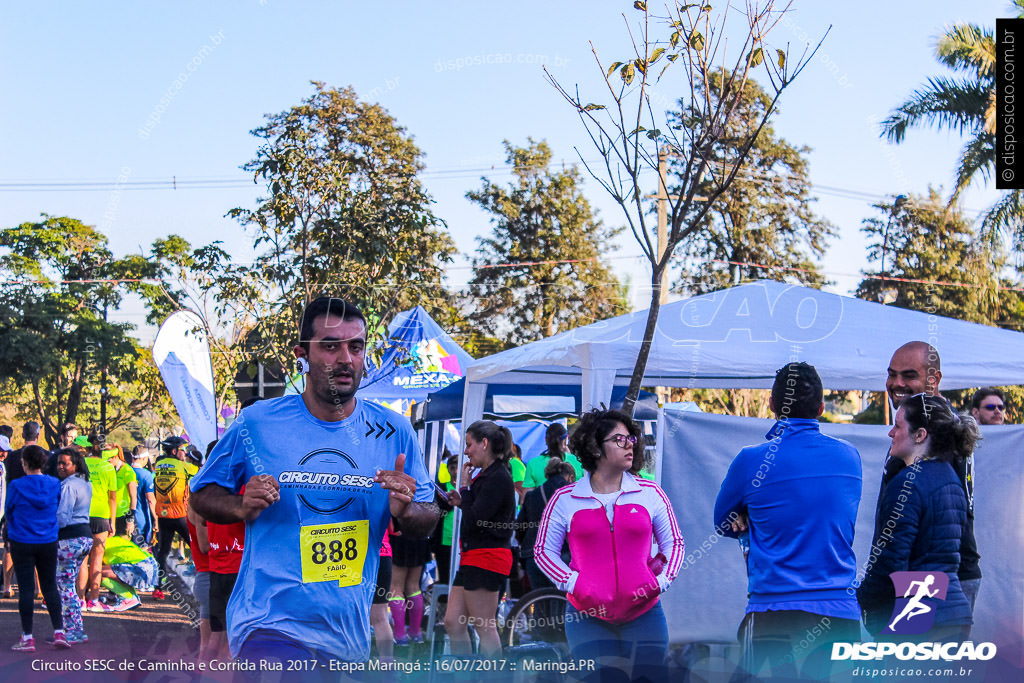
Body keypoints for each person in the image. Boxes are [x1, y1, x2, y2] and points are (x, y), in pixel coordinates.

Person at [189, 297, 437, 667]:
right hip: (268, 623)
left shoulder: (394, 432)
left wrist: (407, 510)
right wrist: (240, 505)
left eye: (356, 347)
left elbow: (430, 514)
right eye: (331, 346)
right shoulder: (257, 423)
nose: (346, 358)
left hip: (345, 633)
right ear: (301, 354)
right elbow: (201, 494)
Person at [714, 362, 863, 680]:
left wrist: (745, 518)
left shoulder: (750, 460)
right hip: (840, 611)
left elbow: (723, 523)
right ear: (822, 408)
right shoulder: (850, 456)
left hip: (773, 611)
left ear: (771, 403)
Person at [535, 408, 685, 683]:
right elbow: (543, 552)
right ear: (594, 446)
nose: (629, 445)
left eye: (631, 439)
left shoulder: (650, 493)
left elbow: (674, 542)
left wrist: (662, 581)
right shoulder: (565, 499)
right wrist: (572, 583)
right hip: (587, 617)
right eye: (619, 440)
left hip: (645, 613)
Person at [858, 394, 976, 641]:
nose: (891, 433)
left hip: (919, 617)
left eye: (898, 425)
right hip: (953, 613)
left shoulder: (907, 484)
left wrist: (864, 601)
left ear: (920, 435)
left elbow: (890, 563)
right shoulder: (950, 478)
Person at [884, 342, 981, 614]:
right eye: (892, 374)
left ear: (933, 379)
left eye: (909, 375)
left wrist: (879, 596)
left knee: (918, 658)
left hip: (931, 579)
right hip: (933, 576)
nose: (896, 383)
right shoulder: (921, 424)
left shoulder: (936, 429)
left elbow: (931, 532)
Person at [444, 420, 517, 657]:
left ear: (484, 443)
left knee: (484, 626)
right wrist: (462, 497)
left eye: (468, 445)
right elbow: (475, 510)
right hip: (472, 555)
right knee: (453, 622)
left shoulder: (498, 477)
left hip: (487, 556)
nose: (465, 451)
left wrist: (464, 490)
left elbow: (476, 517)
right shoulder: (487, 475)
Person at [5, 445, 67, 651]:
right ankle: (59, 632)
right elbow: (57, 507)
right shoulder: (55, 484)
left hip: (21, 540)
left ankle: (27, 637)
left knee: (26, 589)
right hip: (48, 539)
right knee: (50, 586)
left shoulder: (16, 485)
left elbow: (9, 511)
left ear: (24, 463)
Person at [517, 456, 575, 593]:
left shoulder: (532, 495)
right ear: (568, 477)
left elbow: (520, 526)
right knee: (560, 603)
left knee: (539, 602)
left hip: (534, 555)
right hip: (562, 555)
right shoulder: (571, 494)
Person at [54, 447, 93, 643]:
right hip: (85, 536)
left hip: (69, 538)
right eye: (59, 463)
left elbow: (62, 516)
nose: (60, 466)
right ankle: (77, 628)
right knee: (70, 584)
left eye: (65, 463)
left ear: (75, 464)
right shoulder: (85, 482)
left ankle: (71, 630)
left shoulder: (68, 485)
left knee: (64, 585)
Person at [153, 435, 196, 597]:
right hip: (180, 515)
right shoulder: (184, 466)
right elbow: (200, 471)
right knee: (195, 547)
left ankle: (159, 587)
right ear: (174, 451)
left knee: (163, 551)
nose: (184, 452)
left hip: (163, 515)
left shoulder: (158, 465)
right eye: (182, 450)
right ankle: (201, 582)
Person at [81, 437, 117, 611]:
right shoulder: (108, 467)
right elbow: (113, 497)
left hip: (81, 516)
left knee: (81, 560)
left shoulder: (80, 464)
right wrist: (113, 522)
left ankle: (80, 600)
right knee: (96, 561)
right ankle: (94, 601)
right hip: (102, 516)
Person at [389, 518, 429, 646]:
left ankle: (400, 635)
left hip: (399, 533)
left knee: (395, 587)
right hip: (420, 532)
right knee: (413, 586)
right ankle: (415, 633)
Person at [522, 423, 583, 490]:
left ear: (546, 440)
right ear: (565, 439)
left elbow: (527, 496)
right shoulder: (577, 461)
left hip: (544, 499)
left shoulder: (533, 463)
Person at [130, 447, 157, 548]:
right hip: (141, 520)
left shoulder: (125, 471)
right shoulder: (146, 475)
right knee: (142, 552)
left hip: (125, 518)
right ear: (144, 458)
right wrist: (156, 519)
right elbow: (151, 500)